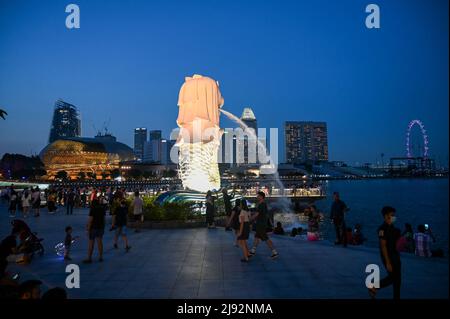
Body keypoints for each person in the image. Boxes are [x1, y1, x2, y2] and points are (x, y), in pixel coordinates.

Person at [369, 206, 401, 299]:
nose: (394, 217)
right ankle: (374, 286)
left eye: (394, 215)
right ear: (386, 216)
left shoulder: (394, 229)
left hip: (396, 255)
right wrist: (387, 262)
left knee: (398, 280)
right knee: (393, 278)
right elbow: (383, 246)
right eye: (392, 215)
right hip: (388, 256)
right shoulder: (382, 229)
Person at [249, 192, 279, 259]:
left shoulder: (262, 205)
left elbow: (257, 214)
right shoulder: (263, 204)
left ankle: (275, 253)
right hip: (261, 223)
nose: (257, 197)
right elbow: (264, 214)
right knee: (256, 236)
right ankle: (252, 251)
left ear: (262, 197)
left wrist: (249, 219)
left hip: (261, 224)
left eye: (258, 196)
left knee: (266, 238)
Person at [83, 198, 106, 263]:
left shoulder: (92, 209)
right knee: (99, 242)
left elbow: (90, 220)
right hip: (100, 227)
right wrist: (103, 227)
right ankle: (101, 256)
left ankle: (89, 258)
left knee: (91, 243)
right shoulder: (102, 209)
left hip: (93, 228)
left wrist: (88, 228)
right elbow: (104, 219)